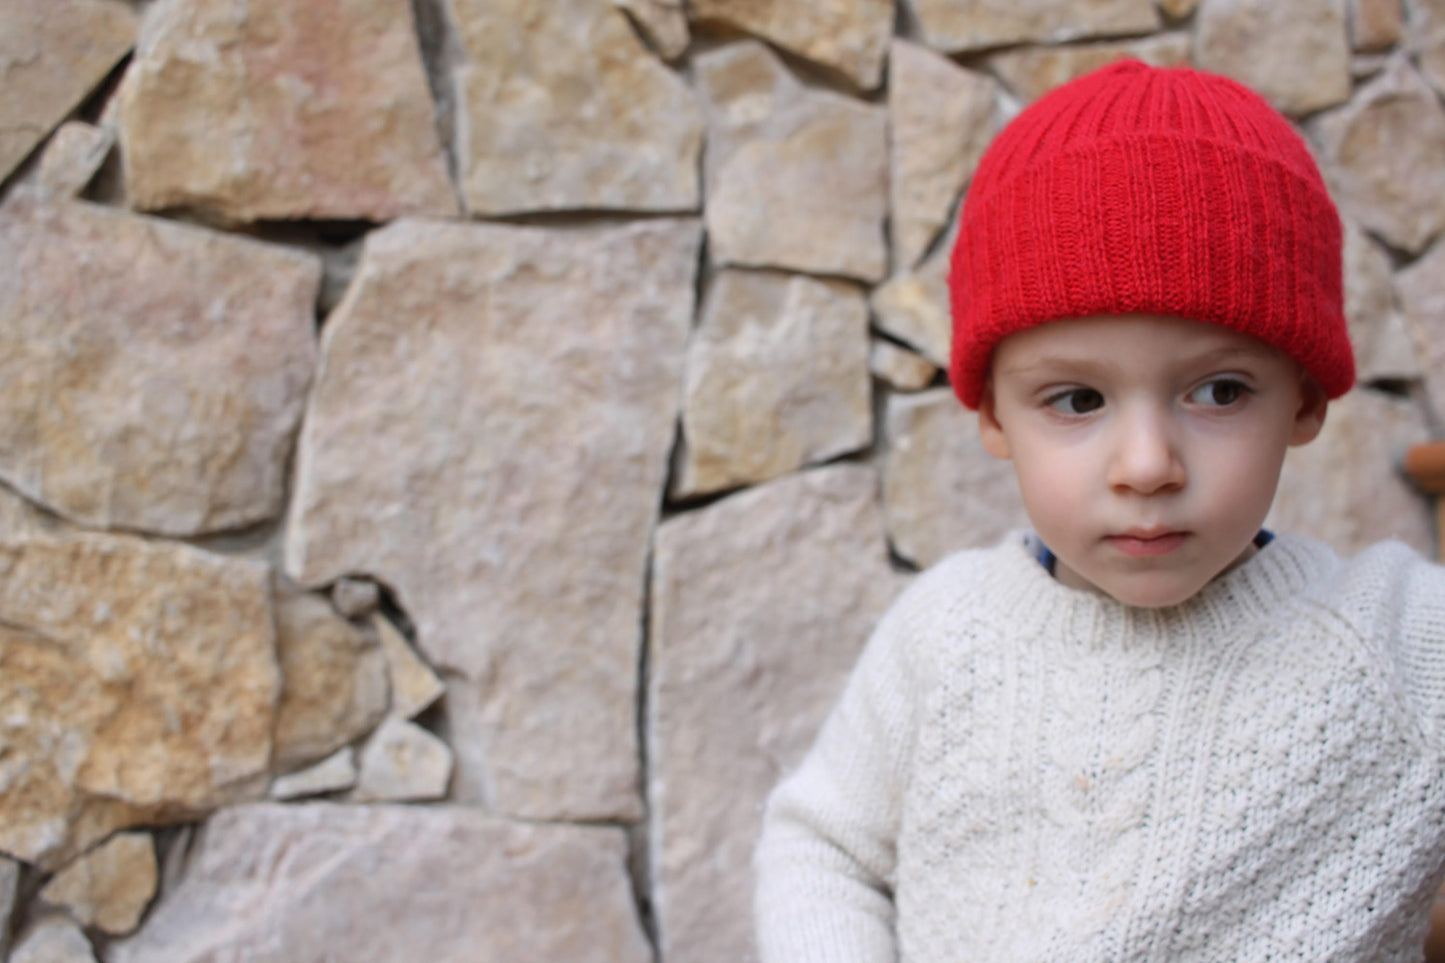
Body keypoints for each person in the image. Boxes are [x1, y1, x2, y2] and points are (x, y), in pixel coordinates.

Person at [753, 59, 1445, 962]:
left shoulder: (1400, 640)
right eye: (1077, 401)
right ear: (994, 414)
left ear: (1306, 400)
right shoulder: (947, 632)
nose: (1147, 464)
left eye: (1220, 390)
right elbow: (822, 845)